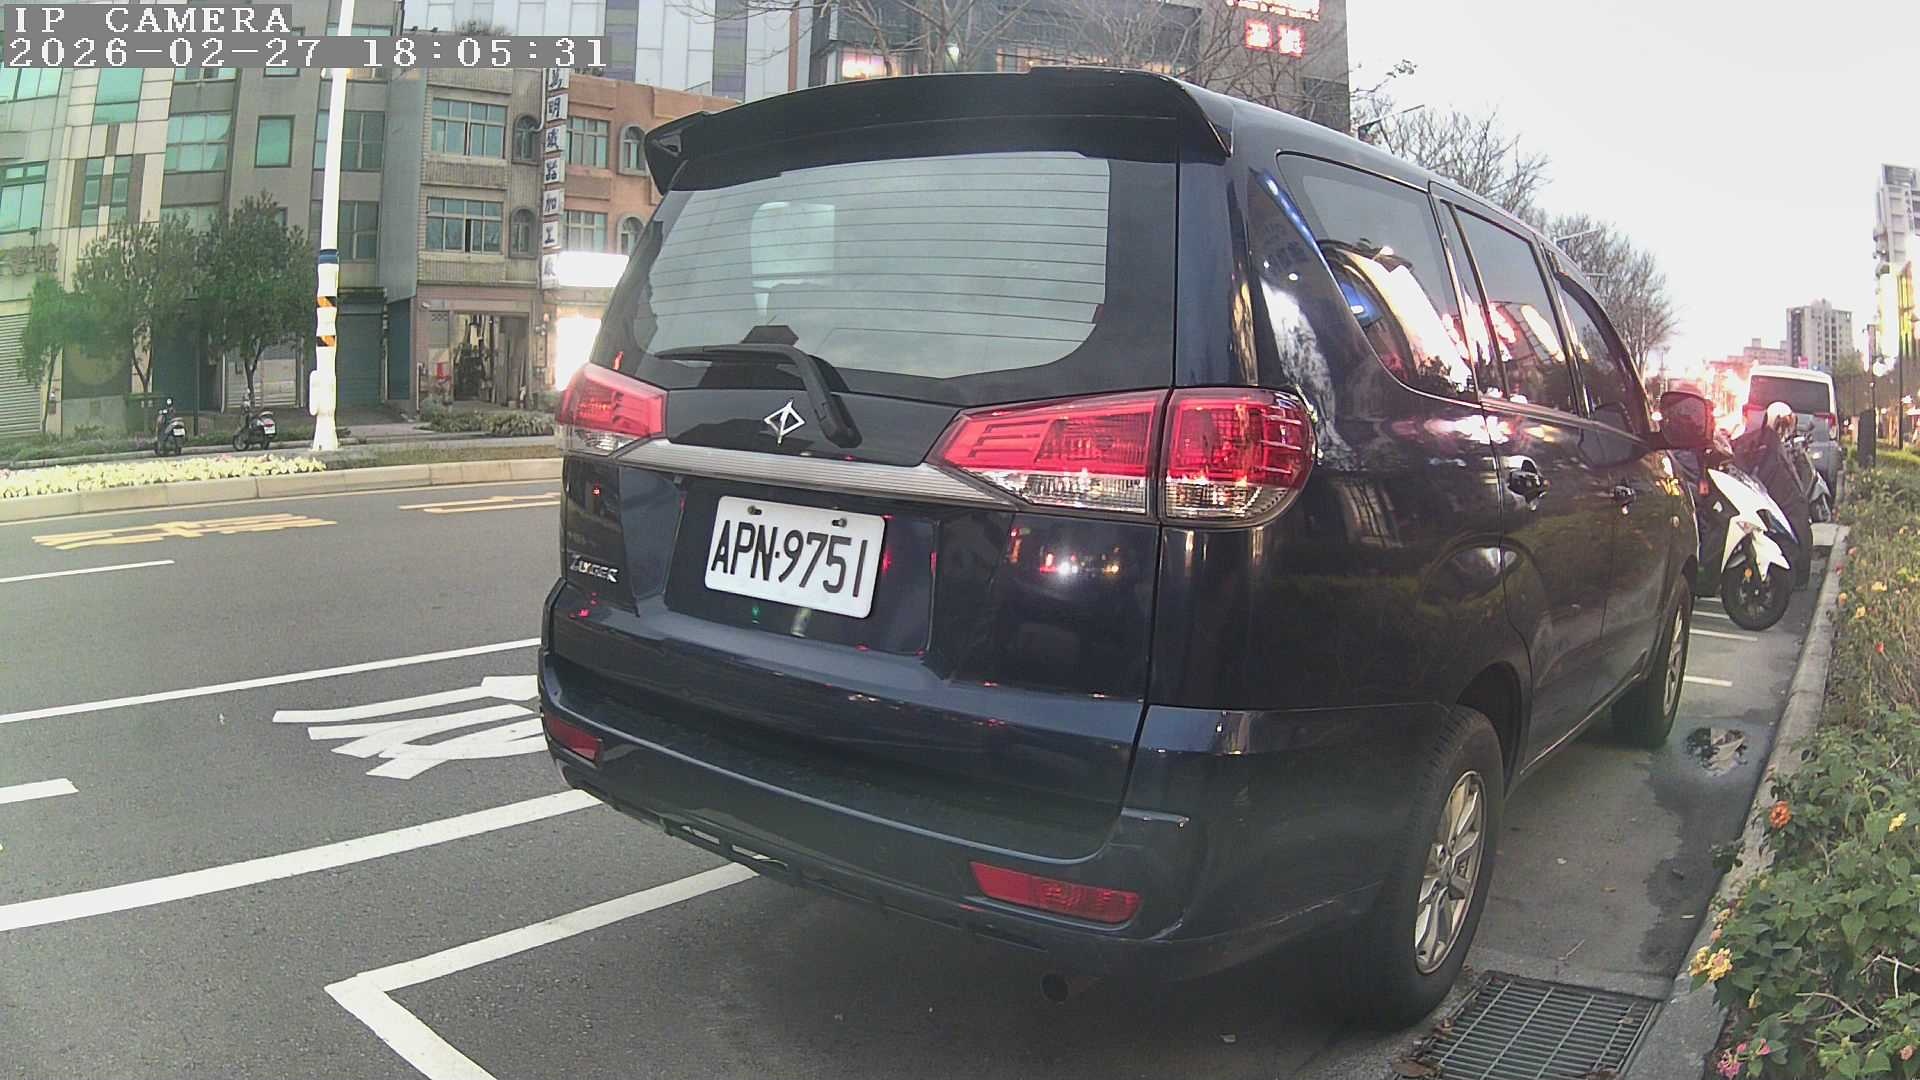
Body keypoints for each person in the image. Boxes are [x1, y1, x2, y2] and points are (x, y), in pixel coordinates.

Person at [1733, 402, 1813, 588]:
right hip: (1781, 504)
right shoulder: (1769, 447)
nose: (1787, 428)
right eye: (1784, 424)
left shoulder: (1767, 443)